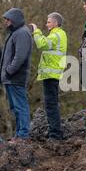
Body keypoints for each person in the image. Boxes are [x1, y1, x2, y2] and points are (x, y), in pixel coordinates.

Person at [30, 13, 67, 141]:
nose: (46, 24)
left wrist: (36, 31)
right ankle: (55, 131)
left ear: (55, 23)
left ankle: (55, 134)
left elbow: (41, 44)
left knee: (51, 104)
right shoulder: (59, 34)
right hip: (53, 73)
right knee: (52, 103)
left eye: (48, 22)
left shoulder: (56, 34)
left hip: (51, 74)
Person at [0, 8, 33, 142]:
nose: (6, 22)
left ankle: (23, 135)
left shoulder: (22, 33)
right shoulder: (16, 33)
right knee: (15, 108)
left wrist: (9, 70)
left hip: (16, 77)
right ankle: (19, 134)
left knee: (20, 106)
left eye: (8, 19)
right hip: (10, 78)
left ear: (15, 19)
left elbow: (20, 56)